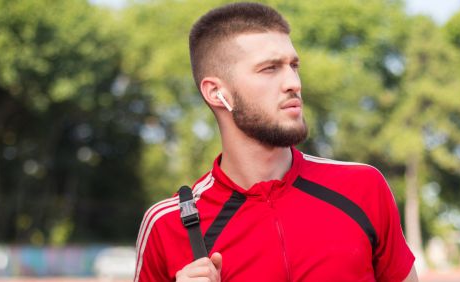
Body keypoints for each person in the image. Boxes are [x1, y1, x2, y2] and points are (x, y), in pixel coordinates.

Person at [135, 2, 418, 281]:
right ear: (216, 92)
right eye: (270, 68)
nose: (294, 82)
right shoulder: (166, 225)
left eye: (293, 65)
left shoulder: (363, 187)